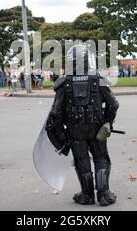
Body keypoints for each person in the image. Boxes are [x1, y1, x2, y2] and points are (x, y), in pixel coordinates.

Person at [45, 44, 119, 206]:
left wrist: (60, 134)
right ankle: (104, 194)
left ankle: (87, 195)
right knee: (101, 157)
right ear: (88, 60)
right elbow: (113, 105)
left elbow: (55, 113)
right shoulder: (98, 80)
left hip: (75, 131)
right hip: (97, 128)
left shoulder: (64, 83)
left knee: (81, 159)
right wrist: (108, 124)